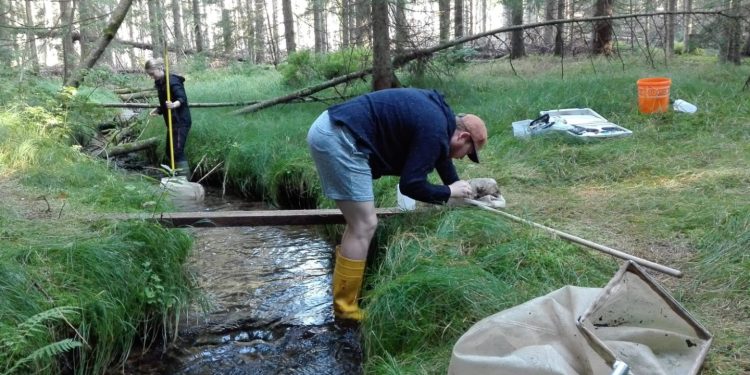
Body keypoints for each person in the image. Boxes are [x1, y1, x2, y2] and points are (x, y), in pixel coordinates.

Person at [306, 88, 488, 321]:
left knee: (361, 223)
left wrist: (458, 187)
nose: (463, 158)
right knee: (364, 225)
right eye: (467, 153)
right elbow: (410, 185)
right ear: (462, 137)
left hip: (332, 127)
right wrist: (449, 191)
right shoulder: (433, 130)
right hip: (339, 138)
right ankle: (346, 310)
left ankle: (344, 304)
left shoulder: (439, 119)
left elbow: (441, 156)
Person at [145, 58, 192, 177]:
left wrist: (174, 104)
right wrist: (160, 109)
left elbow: (182, 98)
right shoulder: (161, 83)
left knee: (177, 151)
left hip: (181, 121)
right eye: (149, 75)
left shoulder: (172, 81)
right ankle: (176, 176)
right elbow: (165, 103)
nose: (151, 77)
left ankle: (185, 182)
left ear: (159, 68)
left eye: (152, 74)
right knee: (169, 151)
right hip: (172, 122)